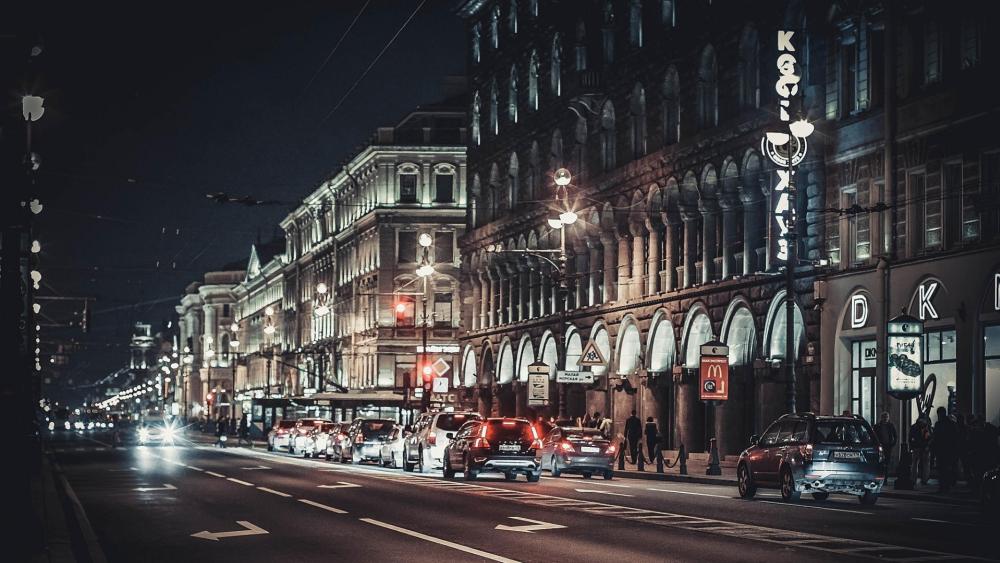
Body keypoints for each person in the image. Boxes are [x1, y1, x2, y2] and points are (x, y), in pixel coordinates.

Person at [931, 406, 959, 492]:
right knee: (946, 468)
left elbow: (935, 437)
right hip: (948, 449)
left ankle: (943, 486)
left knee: (942, 469)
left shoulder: (939, 424)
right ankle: (946, 485)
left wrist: (934, 449)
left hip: (942, 450)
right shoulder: (951, 424)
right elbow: (955, 437)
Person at [909, 416, 932, 486]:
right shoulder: (926, 427)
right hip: (921, 447)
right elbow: (929, 437)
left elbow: (910, 438)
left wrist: (912, 446)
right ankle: (923, 479)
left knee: (916, 464)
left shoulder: (915, 427)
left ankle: (914, 479)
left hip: (919, 447)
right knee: (923, 464)